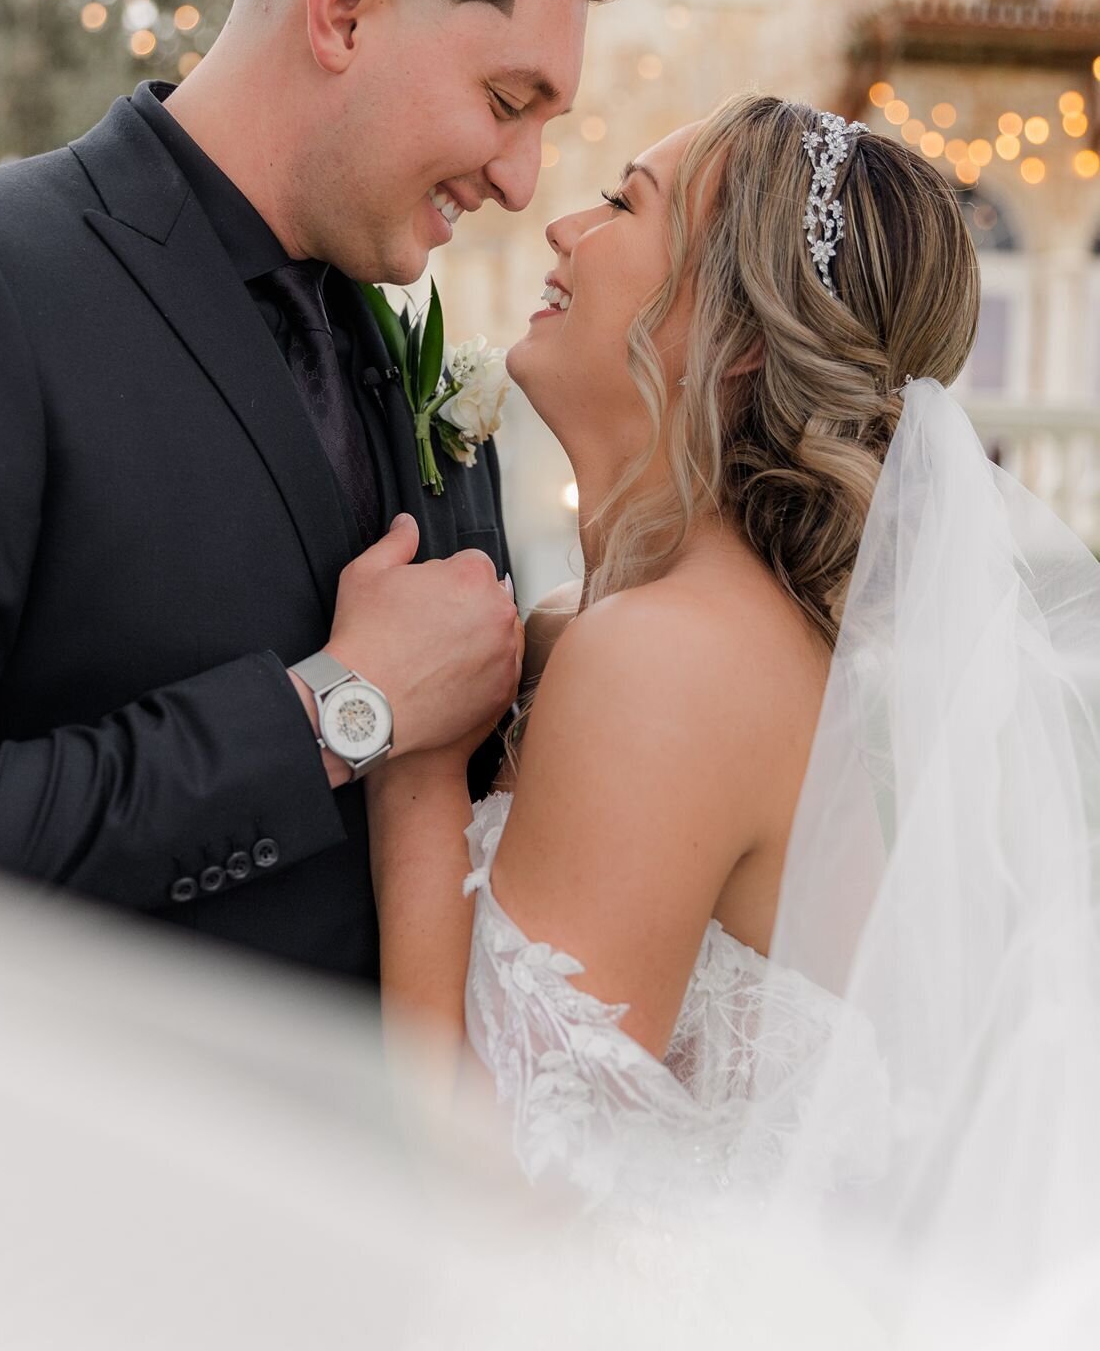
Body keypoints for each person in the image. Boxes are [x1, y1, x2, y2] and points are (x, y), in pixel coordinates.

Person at [370, 95, 1100, 1341]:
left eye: (621, 205)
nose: (561, 225)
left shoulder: (667, 665)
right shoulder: (696, 638)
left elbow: (499, 1184)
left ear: (739, 335)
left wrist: (411, 744)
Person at [0, 0, 634, 978]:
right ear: (344, 12)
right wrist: (333, 712)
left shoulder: (396, 334)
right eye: (505, 100)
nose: (523, 180)